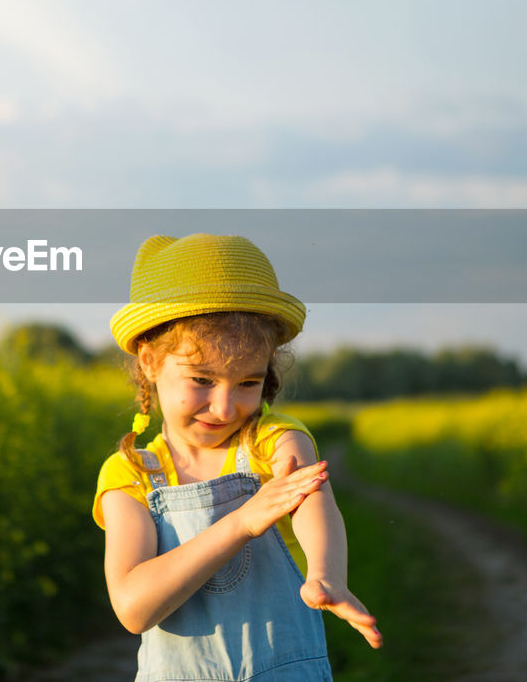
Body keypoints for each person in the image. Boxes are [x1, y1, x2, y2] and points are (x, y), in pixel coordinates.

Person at [93, 233, 382, 682]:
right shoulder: (131, 474)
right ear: (149, 362)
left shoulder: (272, 440)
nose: (226, 408)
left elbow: (312, 503)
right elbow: (133, 608)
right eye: (202, 380)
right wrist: (242, 522)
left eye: (248, 382)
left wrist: (327, 575)